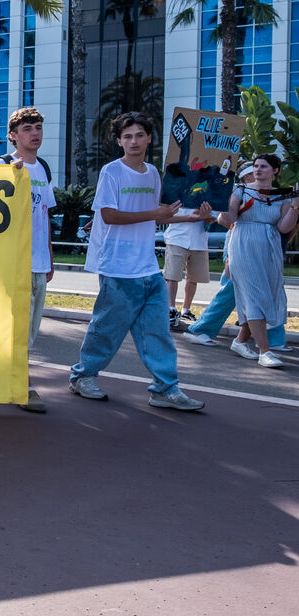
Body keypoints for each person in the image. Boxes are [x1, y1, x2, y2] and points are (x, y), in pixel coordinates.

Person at [68, 113, 207, 411]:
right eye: (127, 136)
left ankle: (165, 389)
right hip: (117, 267)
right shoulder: (111, 171)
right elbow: (109, 216)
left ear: (149, 138)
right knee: (106, 329)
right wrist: (157, 214)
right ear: (119, 141)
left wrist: (191, 217)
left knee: (158, 333)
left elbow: (157, 215)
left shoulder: (153, 173)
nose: (134, 141)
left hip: (148, 268)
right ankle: (83, 376)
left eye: (139, 135)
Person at [183, 166, 288, 350]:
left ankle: (268, 339)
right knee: (232, 291)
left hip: (265, 250)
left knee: (269, 290)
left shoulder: (274, 195)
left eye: (260, 170)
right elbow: (225, 220)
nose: (255, 175)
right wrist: (230, 256)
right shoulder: (239, 192)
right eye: (250, 174)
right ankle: (202, 329)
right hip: (239, 247)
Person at [0, 107, 53, 413]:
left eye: (38, 127)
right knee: (16, 328)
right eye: (28, 129)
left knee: (29, 332)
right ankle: (23, 386)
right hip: (13, 262)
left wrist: (50, 257)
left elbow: (45, 214)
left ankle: (7, 378)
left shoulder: (43, 167)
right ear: (13, 136)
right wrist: (8, 178)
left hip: (39, 263)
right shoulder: (2, 165)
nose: (35, 133)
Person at [225, 154, 298, 368]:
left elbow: (284, 227)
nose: (257, 169)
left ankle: (240, 341)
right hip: (243, 244)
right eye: (256, 166)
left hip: (270, 247)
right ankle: (264, 352)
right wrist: (221, 203)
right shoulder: (240, 189)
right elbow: (230, 217)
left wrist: (295, 206)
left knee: (266, 296)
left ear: (275, 170)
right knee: (255, 296)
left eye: (263, 166)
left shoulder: (283, 195)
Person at [162, 196, 215, 329]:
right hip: (177, 238)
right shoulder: (177, 193)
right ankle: (170, 309)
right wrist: (191, 216)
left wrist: (206, 216)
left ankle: (186, 310)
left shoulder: (207, 195)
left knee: (193, 278)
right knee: (172, 276)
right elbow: (165, 214)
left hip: (199, 241)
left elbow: (212, 219)